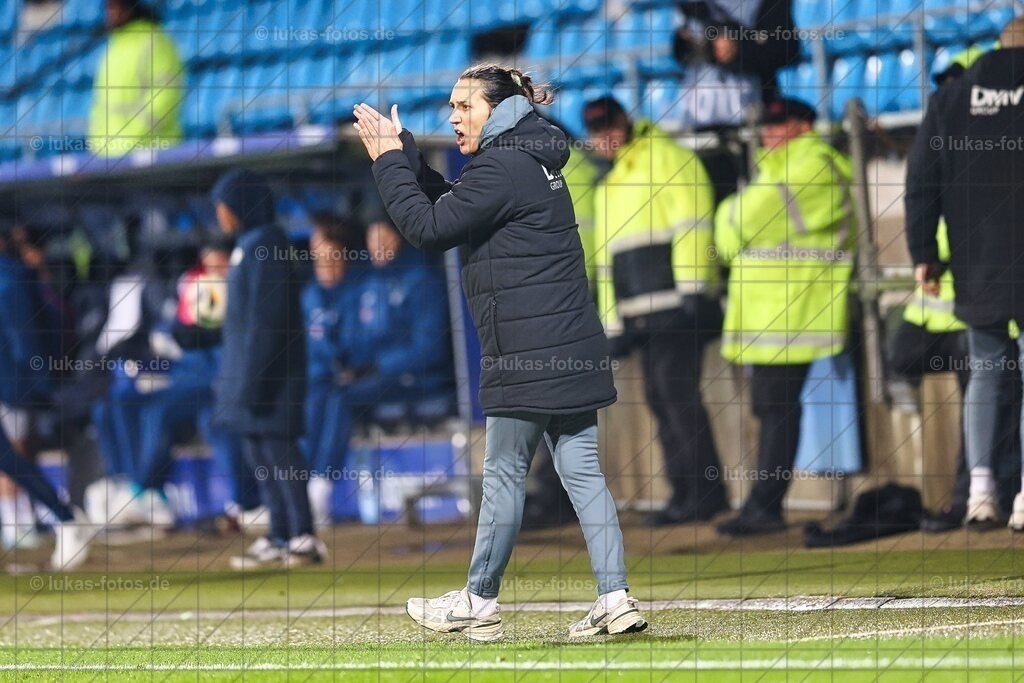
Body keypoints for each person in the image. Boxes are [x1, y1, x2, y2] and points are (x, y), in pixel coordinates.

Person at [353, 64, 648, 641]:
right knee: (582, 472)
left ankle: (478, 601)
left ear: (499, 109)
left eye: (465, 106)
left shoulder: (503, 165)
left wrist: (387, 164)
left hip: (525, 350)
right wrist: (407, 157)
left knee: (504, 475)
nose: (453, 117)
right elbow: (460, 205)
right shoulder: (525, 157)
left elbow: (429, 227)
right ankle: (615, 598)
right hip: (571, 344)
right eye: (451, 107)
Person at [714, 97, 856, 536]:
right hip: (774, 312)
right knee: (771, 407)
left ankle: (765, 507)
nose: (768, 132)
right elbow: (731, 234)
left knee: (777, 408)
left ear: (804, 125)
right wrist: (732, 218)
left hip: (796, 310)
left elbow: (740, 222)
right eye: (766, 124)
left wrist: (730, 213)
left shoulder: (813, 164)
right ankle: (762, 506)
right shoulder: (779, 168)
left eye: (779, 123)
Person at [584, 95, 727, 526]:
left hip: (675, 306)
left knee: (676, 396)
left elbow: (694, 224)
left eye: (609, 126)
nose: (604, 137)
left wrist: (694, 289)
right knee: (662, 398)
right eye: (596, 130)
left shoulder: (668, 157)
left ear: (625, 121)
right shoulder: (611, 181)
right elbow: (607, 260)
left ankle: (703, 493)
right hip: (640, 313)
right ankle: (686, 492)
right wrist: (613, 323)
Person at [905, 19, 1024, 529]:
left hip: (977, 264)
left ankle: (980, 492)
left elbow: (919, 182)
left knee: (986, 373)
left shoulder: (950, 99)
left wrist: (924, 252)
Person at [210, 169, 324, 568]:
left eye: (224, 205)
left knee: (279, 449)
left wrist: (254, 380)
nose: (220, 214)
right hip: (249, 374)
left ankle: (303, 535)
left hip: (273, 375)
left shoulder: (266, 244)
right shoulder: (248, 244)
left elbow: (268, 321)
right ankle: (279, 534)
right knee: (259, 450)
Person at [0, 228, 91, 569]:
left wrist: (39, 384)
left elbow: (26, 337)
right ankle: (65, 518)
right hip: (15, 379)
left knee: (12, 456)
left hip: (13, 380)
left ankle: (65, 519)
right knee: (10, 457)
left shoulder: (10, 277)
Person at [302, 213, 362, 528]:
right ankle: (302, 491)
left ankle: (320, 487)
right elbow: (308, 349)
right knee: (306, 402)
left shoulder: (360, 288)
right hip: (320, 380)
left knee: (339, 397)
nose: (322, 263)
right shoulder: (310, 295)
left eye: (328, 255)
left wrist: (352, 365)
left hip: (362, 379)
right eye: (317, 256)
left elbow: (365, 341)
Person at [89, 0, 184, 157]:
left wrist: (129, 142)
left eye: (114, 6)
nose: (109, 13)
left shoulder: (155, 42)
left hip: (155, 155)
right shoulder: (113, 48)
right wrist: (100, 146)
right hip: (111, 157)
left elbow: (164, 98)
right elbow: (100, 106)